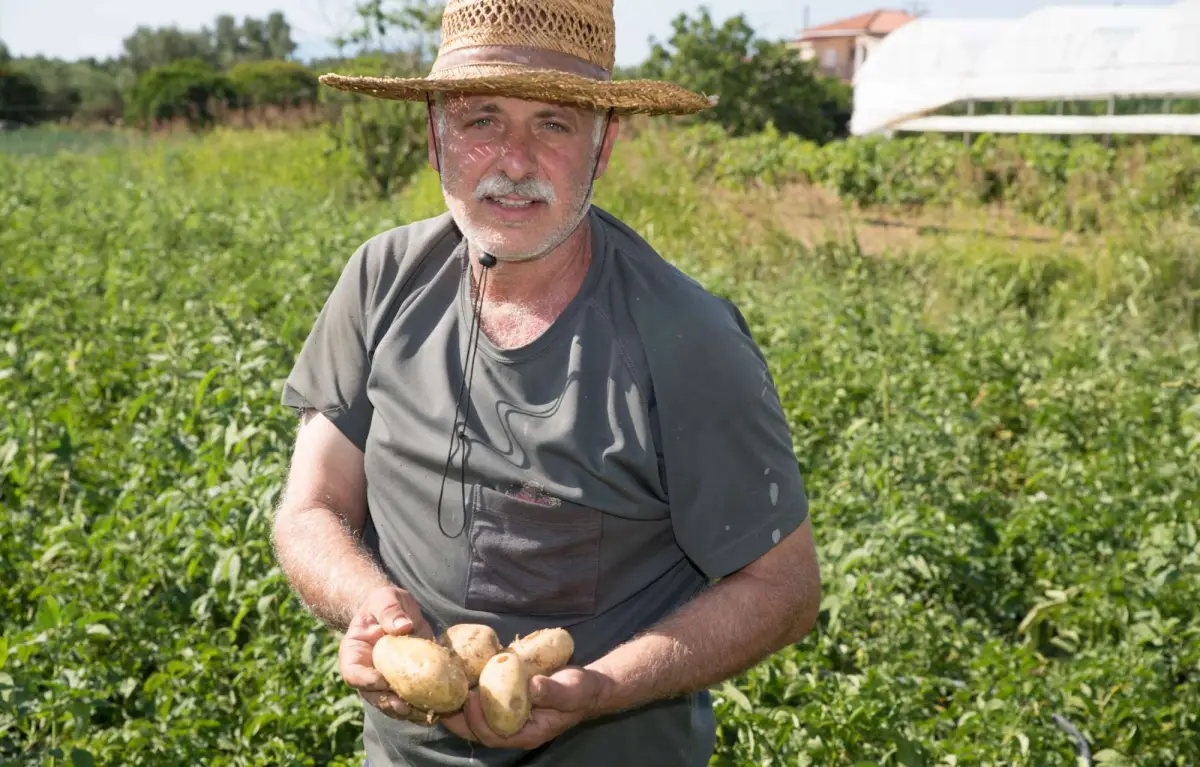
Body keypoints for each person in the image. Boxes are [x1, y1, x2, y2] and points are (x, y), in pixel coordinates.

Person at [271, 0, 822, 765]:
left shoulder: (687, 338)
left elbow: (784, 587)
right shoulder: (381, 279)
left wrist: (602, 686)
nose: (515, 160)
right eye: (481, 119)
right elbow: (312, 506)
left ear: (603, 146)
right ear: (435, 134)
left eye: (554, 124)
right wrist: (366, 605)